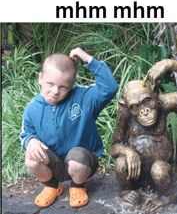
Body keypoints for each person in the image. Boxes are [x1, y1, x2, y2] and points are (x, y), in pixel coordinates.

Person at [19, 47, 118, 208]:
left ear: (72, 84)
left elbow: (110, 87)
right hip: (54, 163)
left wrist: (87, 58)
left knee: (77, 158)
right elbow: (26, 133)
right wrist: (30, 141)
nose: (55, 91)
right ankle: (52, 186)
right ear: (40, 78)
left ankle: (77, 186)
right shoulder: (33, 108)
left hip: (82, 162)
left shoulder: (84, 98)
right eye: (50, 84)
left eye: (63, 87)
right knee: (31, 159)